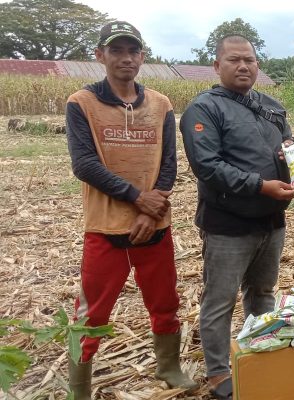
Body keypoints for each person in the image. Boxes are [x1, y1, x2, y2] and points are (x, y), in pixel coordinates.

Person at [65, 21, 198, 399]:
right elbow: (85, 165)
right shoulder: (82, 103)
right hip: (106, 227)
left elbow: (168, 162)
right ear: (100, 55)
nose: (126, 58)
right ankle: (80, 388)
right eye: (117, 51)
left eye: (132, 51)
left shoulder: (159, 104)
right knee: (91, 312)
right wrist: (137, 198)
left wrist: (151, 209)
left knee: (165, 300)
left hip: (154, 224)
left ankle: (169, 366)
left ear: (142, 56)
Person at [179, 35, 294, 400]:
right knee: (220, 299)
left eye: (250, 59)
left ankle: (258, 351)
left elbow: (288, 144)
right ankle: (218, 371)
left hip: (271, 221)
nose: (244, 66)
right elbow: (208, 166)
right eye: (234, 60)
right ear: (217, 66)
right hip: (228, 223)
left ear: (257, 64)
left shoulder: (271, 105)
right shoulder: (204, 109)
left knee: (262, 292)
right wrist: (261, 186)